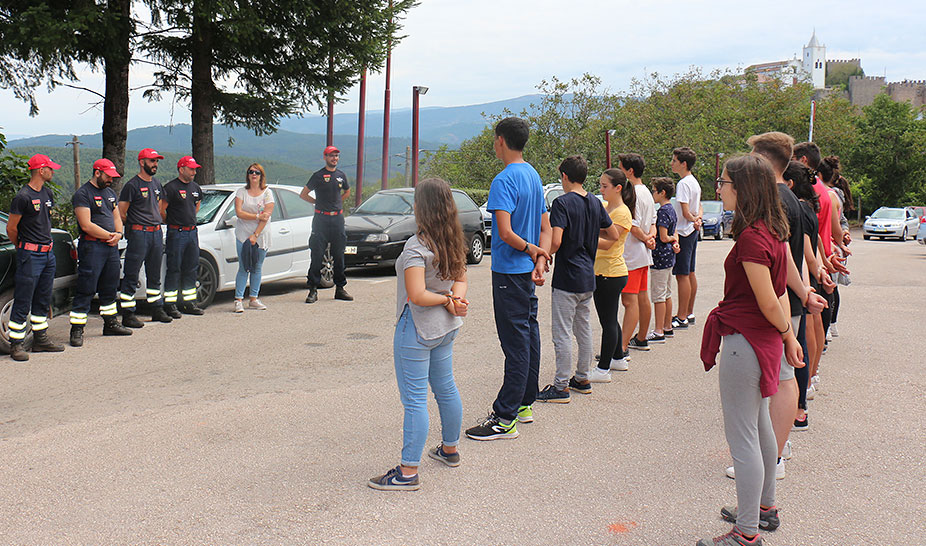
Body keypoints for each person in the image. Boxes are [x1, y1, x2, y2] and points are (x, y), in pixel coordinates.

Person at [699, 155, 803, 546]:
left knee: (742, 438)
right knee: (760, 431)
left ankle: (746, 532)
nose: (720, 189)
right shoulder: (771, 230)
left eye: (723, 182)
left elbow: (769, 300)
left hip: (748, 344)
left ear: (742, 188)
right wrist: (787, 337)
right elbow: (775, 295)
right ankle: (763, 509)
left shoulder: (752, 237)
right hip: (764, 342)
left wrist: (789, 336)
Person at [368, 178, 469, 491]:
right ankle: (449, 449)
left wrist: (445, 300)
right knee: (446, 388)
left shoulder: (416, 247)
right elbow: (461, 279)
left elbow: (417, 294)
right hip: (446, 329)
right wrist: (455, 300)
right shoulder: (452, 240)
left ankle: (407, 472)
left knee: (414, 402)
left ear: (421, 209)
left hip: (416, 330)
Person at [465, 117, 551, 440]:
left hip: (509, 272)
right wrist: (540, 258)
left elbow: (504, 232)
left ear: (501, 140)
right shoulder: (533, 175)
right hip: (526, 274)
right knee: (529, 334)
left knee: (515, 343)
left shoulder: (503, 180)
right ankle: (525, 403)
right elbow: (545, 225)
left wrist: (532, 252)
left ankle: (504, 418)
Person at [536, 155, 617, 402]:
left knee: (561, 333)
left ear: (564, 176)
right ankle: (582, 377)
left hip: (567, 278)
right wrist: (591, 240)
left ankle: (560, 386)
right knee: (583, 329)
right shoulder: (595, 202)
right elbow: (613, 234)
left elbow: (557, 240)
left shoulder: (562, 203)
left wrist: (543, 255)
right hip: (587, 277)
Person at [6, 154, 67, 360]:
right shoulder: (22, 197)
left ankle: (40, 339)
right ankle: (16, 344)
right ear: (41, 170)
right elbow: (12, 228)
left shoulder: (47, 194)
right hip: (30, 255)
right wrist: (23, 246)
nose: (53, 171)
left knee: (43, 298)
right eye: (50, 168)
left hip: (47, 254)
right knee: (23, 299)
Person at [68, 159, 132, 346]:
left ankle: (110, 323)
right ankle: (77, 329)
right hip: (92, 247)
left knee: (110, 287)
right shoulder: (83, 194)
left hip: (110, 247)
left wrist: (118, 234)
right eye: (108, 176)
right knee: (86, 288)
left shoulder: (110, 193)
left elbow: (117, 216)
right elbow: (86, 224)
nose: (111, 179)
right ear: (97, 173)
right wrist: (108, 235)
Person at [588, 168, 634, 383]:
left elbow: (608, 243)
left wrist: (585, 237)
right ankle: (617, 357)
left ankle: (603, 368)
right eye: (600, 185)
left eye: (605, 186)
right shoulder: (606, 207)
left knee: (607, 321)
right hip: (603, 271)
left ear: (618, 188)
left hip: (611, 273)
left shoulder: (622, 212)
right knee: (609, 318)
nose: (601, 189)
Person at [118, 148, 173, 325]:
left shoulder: (157, 184)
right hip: (139, 233)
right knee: (132, 274)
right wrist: (136, 225)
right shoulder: (131, 186)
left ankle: (156, 308)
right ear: (142, 162)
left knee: (154, 273)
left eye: (156, 161)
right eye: (152, 161)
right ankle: (128, 313)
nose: (155, 164)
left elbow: (158, 208)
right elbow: (121, 212)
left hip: (156, 233)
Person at [617, 152, 656, 356]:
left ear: (629, 171)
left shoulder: (632, 193)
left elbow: (631, 224)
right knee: (642, 297)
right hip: (643, 254)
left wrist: (645, 238)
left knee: (629, 302)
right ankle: (641, 337)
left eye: (621, 168)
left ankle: (622, 346)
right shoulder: (647, 192)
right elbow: (652, 222)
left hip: (632, 253)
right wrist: (650, 237)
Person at [303, 145, 352, 304]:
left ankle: (340, 288)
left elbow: (347, 192)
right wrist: (318, 203)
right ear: (325, 157)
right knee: (317, 254)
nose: (334, 158)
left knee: (338, 254)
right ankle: (313, 289)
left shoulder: (341, 175)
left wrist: (337, 204)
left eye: (336, 156)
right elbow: (304, 194)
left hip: (337, 219)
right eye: (331, 156)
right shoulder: (318, 176)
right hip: (321, 219)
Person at [159, 156, 204, 316]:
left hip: (192, 232)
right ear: (181, 169)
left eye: (195, 169)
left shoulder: (195, 187)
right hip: (176, 233)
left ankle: (189, 302)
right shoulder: (171, 188)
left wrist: (189, 218)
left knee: (191, 268)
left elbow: (197, 205)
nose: (194, 172)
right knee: (174, 268)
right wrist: (172, 221)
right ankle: (170, 304)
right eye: (191, 169)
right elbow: (161, 210)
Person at [233, 164, 274, 313]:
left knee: (257, 267)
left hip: (261, 235)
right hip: (243, 234)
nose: (254, 174)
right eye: (251, 172)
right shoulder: (241, 192)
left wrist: (255, 235)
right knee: (244, 266)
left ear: (261, 175)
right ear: (248, 175)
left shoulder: (267, 193)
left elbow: (267, 216)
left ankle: (254, 298)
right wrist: (256, 216)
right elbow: (239, 212)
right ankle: (238, 299)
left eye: (257, 172)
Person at [670, 146, 702, 328]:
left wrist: (693, 219)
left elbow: (685, 211)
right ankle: (689, 312)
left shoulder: (683, 184)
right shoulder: (694, 182)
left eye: (674, 161)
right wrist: (697, 220)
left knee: (682, 275)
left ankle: (681, 316)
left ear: (683, 164)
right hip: (692, 231)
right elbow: (697, 208)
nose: (672, 164)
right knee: (690, 272)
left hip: (683, 232)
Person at [648, 178, 680, 343]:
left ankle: (658, 330)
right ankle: (667, 326)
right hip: (669, 257)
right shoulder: (672, 209)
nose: (653, 194)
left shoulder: (662, 212)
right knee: (667, 293)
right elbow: (674, 234)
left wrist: (669, 238)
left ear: (662, 193)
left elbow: (663, 236)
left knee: (658, 295)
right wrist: (674, 241)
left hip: (659, 258)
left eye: (654, 191)